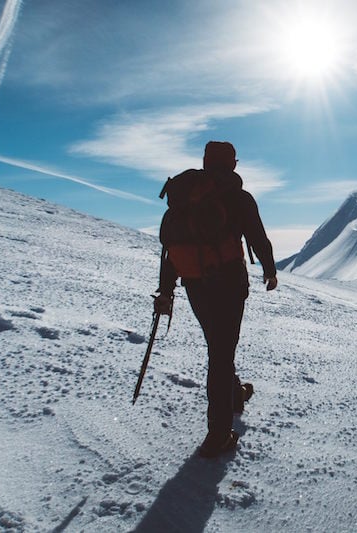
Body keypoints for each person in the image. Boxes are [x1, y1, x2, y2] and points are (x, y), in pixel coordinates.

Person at [153, 141, 277, 458]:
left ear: (206, 163)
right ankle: (218, 435)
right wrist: (270, 270)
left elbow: (172, 249)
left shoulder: (185, 197)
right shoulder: (238, 197)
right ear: (232, 165)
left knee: (218, 344)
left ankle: (234, 395)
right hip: (229, 283)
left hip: (195, 283)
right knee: (221, 353)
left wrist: (166, 290)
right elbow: (257, 237)